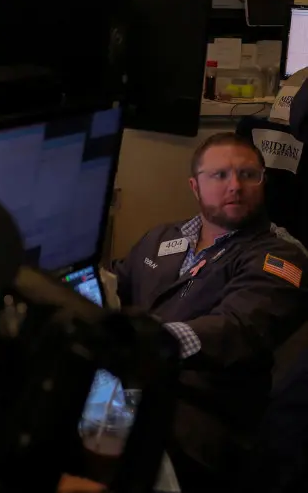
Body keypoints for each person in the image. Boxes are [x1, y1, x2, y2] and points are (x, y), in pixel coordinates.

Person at [110, 133, 308, 492]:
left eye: (249, 175)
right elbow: (114, 284)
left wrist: (147, 342)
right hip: (126, 389)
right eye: (219, 176)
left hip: (200, 417)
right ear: (194, 185)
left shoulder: (281, 258)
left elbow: (237, 327)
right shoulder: (161, 238)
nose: (235, 186)